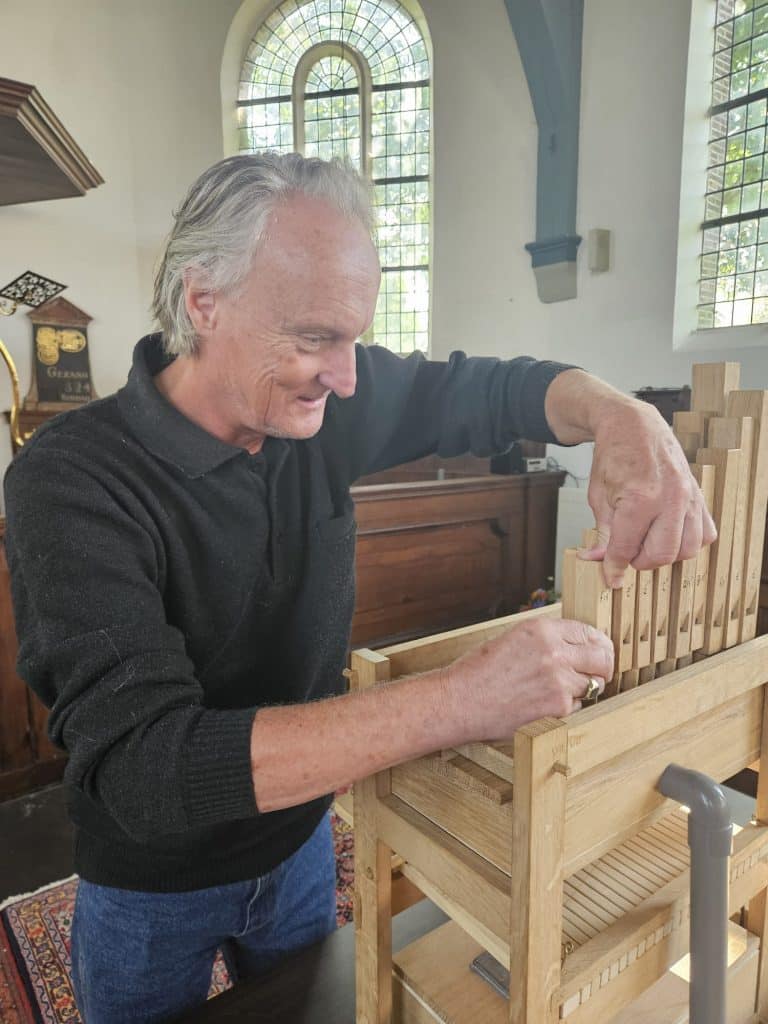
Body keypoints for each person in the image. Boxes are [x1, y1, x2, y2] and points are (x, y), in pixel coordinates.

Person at [3, 153, 716, 1023]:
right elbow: (147, 768)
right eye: (313, 338)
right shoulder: (69, 476)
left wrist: (622, 415)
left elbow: (496, 390)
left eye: (354, 338)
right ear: (204, 301)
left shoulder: (325, 401)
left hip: (303, 844)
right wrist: (460, 699)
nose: (345, 377)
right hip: (153, 885)